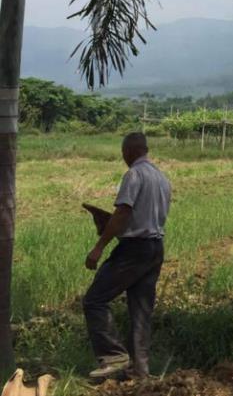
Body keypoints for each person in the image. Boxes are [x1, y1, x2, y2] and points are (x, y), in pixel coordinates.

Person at [83, 133, 172, 381]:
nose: (123, 158)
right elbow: (143, 217)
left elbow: (123, 213)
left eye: (124, 153)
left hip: (134, 250)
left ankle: (113, 357)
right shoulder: (161, 178)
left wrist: (99, 246)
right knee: (141, 311)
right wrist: (108, 222)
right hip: (155, 249)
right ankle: (140, 372)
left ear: (130, 151)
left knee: (94, 300)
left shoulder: (134, 174)